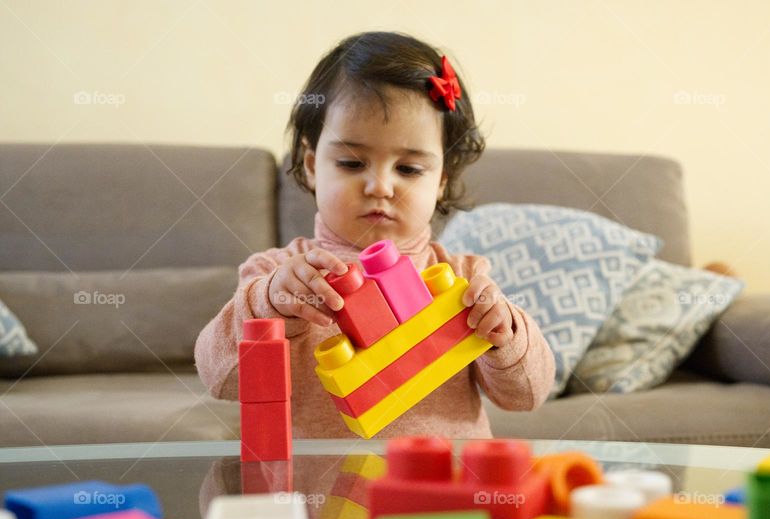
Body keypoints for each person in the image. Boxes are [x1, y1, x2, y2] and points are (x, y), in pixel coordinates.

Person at [195, 31, 555, 438]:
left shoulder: (463, 279)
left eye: (409, 169)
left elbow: (526, 395)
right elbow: (220, 381)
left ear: (441, 181)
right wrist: (266, 307)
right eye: (351, 163)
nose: (380, 186)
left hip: (443, 491)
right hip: (317, 494)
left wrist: (505, 334)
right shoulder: (276, 277)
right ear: (312, 166)